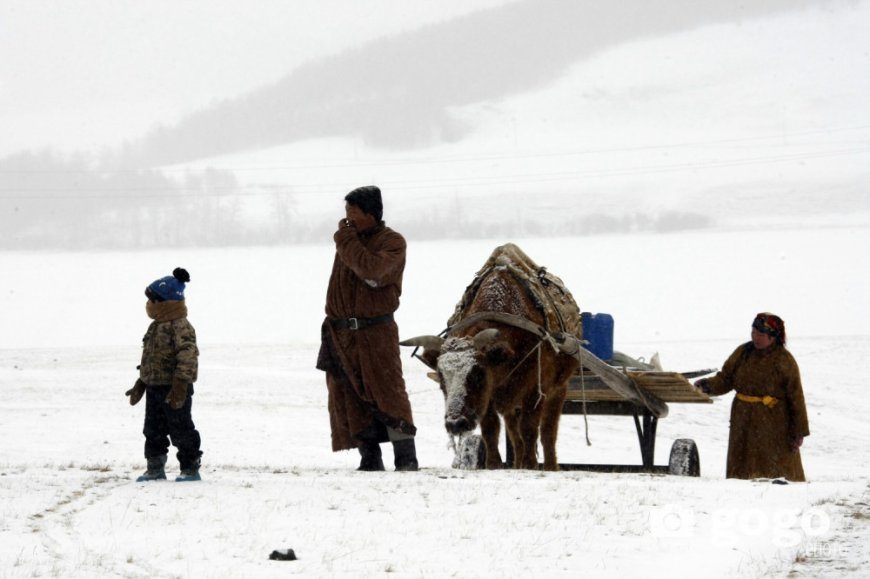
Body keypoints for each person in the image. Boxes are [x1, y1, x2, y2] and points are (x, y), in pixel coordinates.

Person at [316, 185, 418, 471]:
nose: (347, 218)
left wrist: (346, 241)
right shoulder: (350, 241)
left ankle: (406, 459)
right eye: (346, 211)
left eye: (354, 212)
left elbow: (372, 272)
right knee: (348, 394)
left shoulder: (392, 242)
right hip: (341, 334)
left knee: (389, 392)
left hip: (376, 332)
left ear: (371, 214)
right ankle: (369, 459)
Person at [695, 312, 809, 482]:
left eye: (761, 334)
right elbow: (726, 379)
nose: (755, 337)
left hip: (774, 422)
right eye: (753, 332)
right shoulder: (743, 352)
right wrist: (708, 385)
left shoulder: (785, 360)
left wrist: (798, 431)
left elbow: (796, 397)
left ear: (773, 337)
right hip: (743, 418)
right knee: (742, 465)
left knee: (773, 469)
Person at [125, 267, 203, 482]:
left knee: (181, 428)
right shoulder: (155, 327)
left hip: (175, 388)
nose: (148, 306)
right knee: (152, 429)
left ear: (165, 303)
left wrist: (181, 385)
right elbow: (151, 357)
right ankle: (155, 467)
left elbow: (188, 356)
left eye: (152, 301)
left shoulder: (181, 326)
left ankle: (189, 467)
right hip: (154, 387)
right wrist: (142, 381)